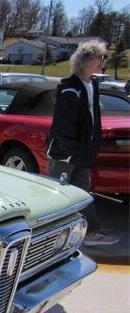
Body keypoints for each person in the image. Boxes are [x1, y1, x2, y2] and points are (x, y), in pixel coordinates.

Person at [46, 41, 119, 246]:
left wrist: (91, 147)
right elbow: (63, 125)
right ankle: (46, 235)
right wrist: (70, 152)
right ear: (86, 61)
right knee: (56, 193)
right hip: (65, 154)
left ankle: (91, 233)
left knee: (82, 193)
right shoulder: (70, 89)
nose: (104, 61)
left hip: (82, 153)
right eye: (101, 58)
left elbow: (93, 119)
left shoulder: (92, 85)